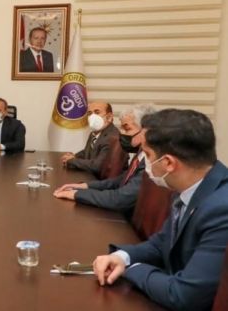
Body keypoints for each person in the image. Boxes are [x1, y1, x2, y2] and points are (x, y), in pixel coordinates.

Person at [92, 109, 228, 311]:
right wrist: (121, 257)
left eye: (147, 155)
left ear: (168, 163)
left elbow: (184, 295)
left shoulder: (221, 209)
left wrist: (131, 268)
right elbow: (162, 243)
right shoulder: (190, 186)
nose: (145, 163)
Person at [53, 104, 156, 218]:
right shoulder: (141, 154)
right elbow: (120, 180)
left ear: (146, 131)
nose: (121, 133)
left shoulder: (151, 161)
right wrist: (85, 186)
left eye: (127, 129)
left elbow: (120, 199)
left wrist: (77, 194)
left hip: (127, 220)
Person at [60, 101, 119, 178]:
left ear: (109, 117)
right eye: (90, 113)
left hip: (104, 181)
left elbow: (97, 166)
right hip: (90, 177)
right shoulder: (94, 133)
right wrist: (74, 156)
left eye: (97, 112)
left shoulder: (112, 137)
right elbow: (87, 152)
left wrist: (72, 161)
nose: (92, 116)